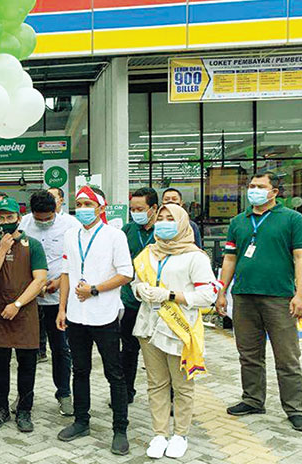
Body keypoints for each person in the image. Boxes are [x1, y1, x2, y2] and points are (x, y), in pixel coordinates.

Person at [216, 171, 302, 432]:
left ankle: (294, 409)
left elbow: (301, 257)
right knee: (248, 354)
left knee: (287, 357)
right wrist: (221, 291)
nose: (253, 190)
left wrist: (300, 294)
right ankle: (253, 399)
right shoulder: (239, 221)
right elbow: (230, 259)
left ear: (274, 192)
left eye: (260, 186)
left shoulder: (292, 219)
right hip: (244, 297)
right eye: (251, 186)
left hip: (279, 298)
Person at [131, 204, 219, 459]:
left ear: (182, 223)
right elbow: (136, 282)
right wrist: (140, 291)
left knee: (182, 386)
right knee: (156, 383)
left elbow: (208, 295)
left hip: (179, 328)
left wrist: (170, 295)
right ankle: (159, 433)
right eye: (161, 218)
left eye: (171, 218)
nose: (164, 222)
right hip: (149, 325)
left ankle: (180, 434)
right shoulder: (148, 253)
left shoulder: (195, 256)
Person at [56, 186, 133, 456]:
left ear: (101, 207)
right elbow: (65, 273)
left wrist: (95, 289)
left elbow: (126, 273)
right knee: (80, 370)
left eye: (88, 203)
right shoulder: (70, 235)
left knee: (114, 372)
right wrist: (62, 308)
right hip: (76, 315)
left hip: (105, 314)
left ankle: (120, 428)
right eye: (79, 203)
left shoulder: (114, 236)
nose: (83, 208)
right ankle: (81, 420)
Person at [0, 198, 47, 433]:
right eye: (1, 218)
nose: (6, 221)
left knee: (27, 364)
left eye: (10, 217)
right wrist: (1, 249)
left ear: (19, 218)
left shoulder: (34, 245)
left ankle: (24, 410)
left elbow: (40, 279)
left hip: (25, 312)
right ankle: (0, 408)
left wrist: (18, 303)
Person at [19, 190, 79, 417]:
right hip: (30, 298)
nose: (43, 222)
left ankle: (64, 393)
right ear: (31, 213)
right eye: (39, 219)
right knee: (27, 350)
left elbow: (75, 260)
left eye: (48, 218)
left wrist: (56, 282)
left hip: (57, 298)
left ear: (56, 209)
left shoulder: (70, 226)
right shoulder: (24, 224)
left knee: (61, 349)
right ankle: (24, 397)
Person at [119, 187, 159, 405]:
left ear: (153, 208)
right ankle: (126, 391)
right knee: (129, 349)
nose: (135, 213)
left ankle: (168, 396)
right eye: (132, 209)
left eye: (140, 209)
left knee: (162, 349)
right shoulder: (127, 230)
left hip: (160, 302)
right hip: (131, 300)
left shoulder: (165, 230)